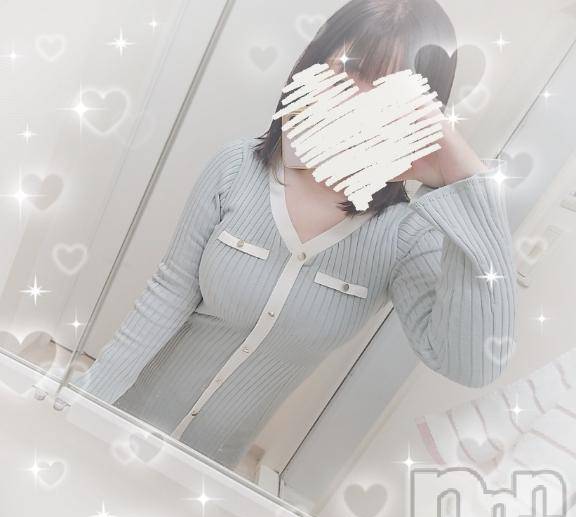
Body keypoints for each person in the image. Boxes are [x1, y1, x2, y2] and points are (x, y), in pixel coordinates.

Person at [71, 0, 517, 469]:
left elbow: (472, 364)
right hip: (123, 422)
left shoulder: (408, 233)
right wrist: (87, 402)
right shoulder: (234, 168)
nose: (358, 100)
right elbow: (166, 295)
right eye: (349, 71)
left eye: (389, 91)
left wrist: (471, 184)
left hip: (207, 469)